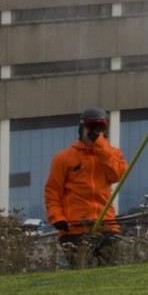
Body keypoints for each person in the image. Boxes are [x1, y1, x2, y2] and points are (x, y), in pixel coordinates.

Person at [45, 107, 130, 263]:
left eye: (100, 127)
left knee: (111, 272)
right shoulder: (63, 158)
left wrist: (100, 146)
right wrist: (57, 217)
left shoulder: (112, 154)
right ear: (82, 128)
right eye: (92, 127)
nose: (96, 131)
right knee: (84, 271)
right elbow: (53, 191)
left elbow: (117, 175)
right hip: (75, 228)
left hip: (106, 226)